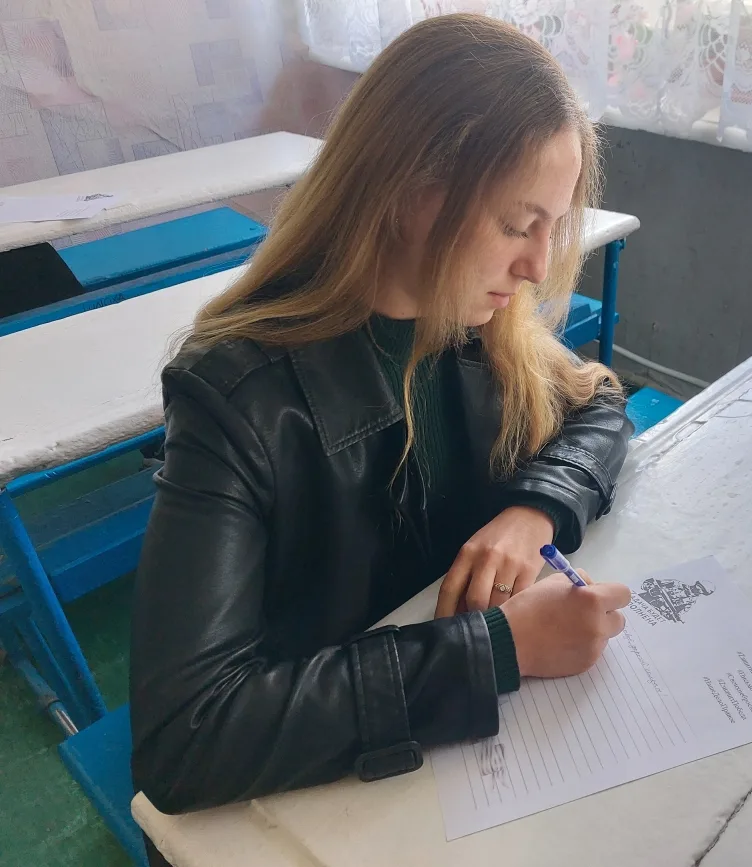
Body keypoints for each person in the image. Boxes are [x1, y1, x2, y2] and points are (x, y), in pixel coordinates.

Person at [130, 11, 635, 834]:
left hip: (448, 766)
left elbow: (602, 403)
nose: (539, 266)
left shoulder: (480, 324)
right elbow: (184, 737)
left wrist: (535, 509)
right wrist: (500, 649)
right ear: (408, 193)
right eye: (517, 225)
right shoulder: (238, 395)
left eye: (553, 226)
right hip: (323, 796)